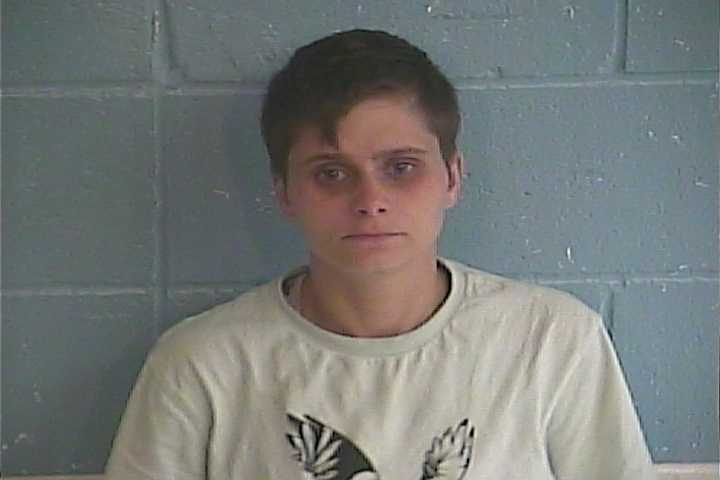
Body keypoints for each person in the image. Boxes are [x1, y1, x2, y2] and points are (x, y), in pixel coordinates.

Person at [105, 29, 656, 480]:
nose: (370, 201)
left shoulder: (552, 342)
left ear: (452, 178)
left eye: (401, 167)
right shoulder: (200, 365)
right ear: (285, 193)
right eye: (331, 173)